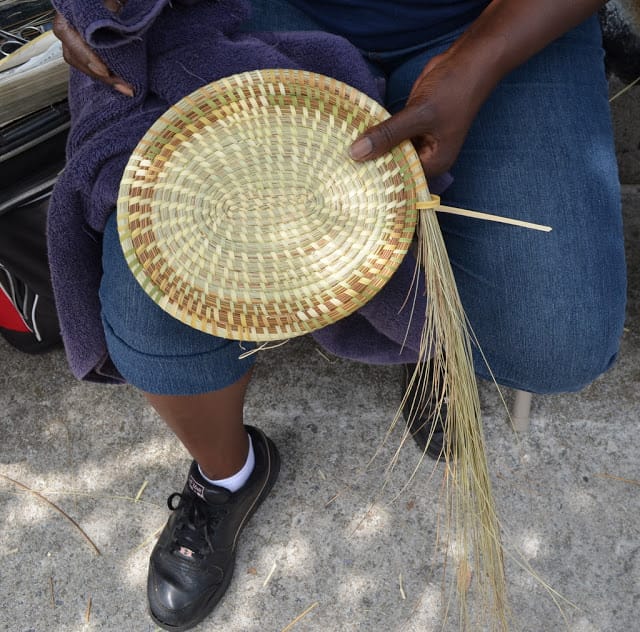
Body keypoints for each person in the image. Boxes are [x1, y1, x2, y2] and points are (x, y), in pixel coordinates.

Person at [51, 1, 626, 629]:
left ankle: (423, 337)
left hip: (488, 17)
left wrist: (481, 58)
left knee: (557, 340)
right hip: (245, 14)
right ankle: (229, 475)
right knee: (153, 297)